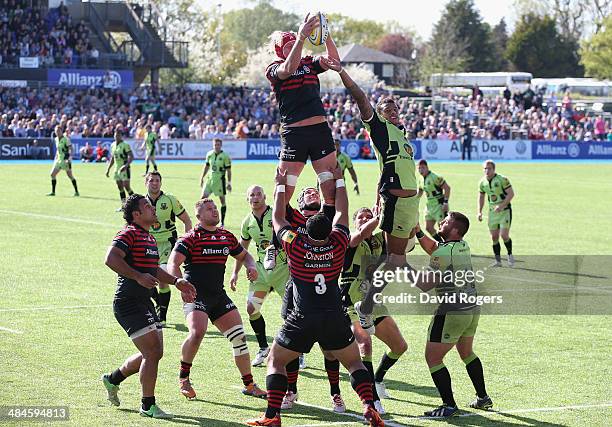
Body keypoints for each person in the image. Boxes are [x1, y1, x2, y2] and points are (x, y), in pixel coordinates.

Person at [246, 167, 384, 427]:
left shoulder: (296, 244)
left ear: (305, 230)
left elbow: (277, 217)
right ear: (330, 230)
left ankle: (272, 415)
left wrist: (279, 184)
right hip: (335, 316)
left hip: (302, 317)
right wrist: (339, 180)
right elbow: (342, 212)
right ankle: (368, 406)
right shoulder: (338, 242)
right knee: (355, 363)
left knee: (275, 361)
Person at [326, 58, 419, 330]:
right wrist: (343, 72)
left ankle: (367, 304)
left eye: (396, 108)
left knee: (397, 259)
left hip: (409, 202)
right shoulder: (378, 128)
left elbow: (386, 169)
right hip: (397, 200)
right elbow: (361, 98)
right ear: (378, 114)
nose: (394, 111)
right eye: (388, 108)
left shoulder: (402, 136)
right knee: (394, 259)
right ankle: (365, 305)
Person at [101, 194, 196, 419]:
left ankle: (113, 379)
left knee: (154, 352)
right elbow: (110, 258)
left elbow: (153, 269)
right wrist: (137, 276)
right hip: (128, 303)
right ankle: (147, 405)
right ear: (136, 214)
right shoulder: (129, 233)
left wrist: (176, 281)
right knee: (152, 352)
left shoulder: (149, 237)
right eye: (147, 206)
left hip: (143, 301)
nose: (153, 208)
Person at [167, 199, 267, 401]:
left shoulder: (225, 236)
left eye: (215, 208)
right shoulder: (190, 238)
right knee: (197, 333)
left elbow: (245, 256)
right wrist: (179, 283)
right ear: (199, 216)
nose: (214, 211)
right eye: (209, 209)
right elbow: (173, 263)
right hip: (195, 295)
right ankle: (184, 378)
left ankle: (249, 385)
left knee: (239, 337)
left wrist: (252, 267)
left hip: (218, 296)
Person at [412, 212, 493, 417]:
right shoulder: (463, 245)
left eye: (446, 221)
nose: (441, 222)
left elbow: (424, 285)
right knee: (467, 352)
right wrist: (419, 231)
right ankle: (483, 397)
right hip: (472, 308)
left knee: (433, 357)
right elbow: (434, 248)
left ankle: (448, 405)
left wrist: (401, 265)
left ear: (455, 230)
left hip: (451, 311)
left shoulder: (443, 253)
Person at [265, 13, 341, 208]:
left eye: (294, 45)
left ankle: (327, 232)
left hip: (319, 131)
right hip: (295, 133)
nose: (293, 50)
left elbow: (334, 60)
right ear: (280, 51)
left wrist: (326, 35)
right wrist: (300, 38)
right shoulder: (274, 68)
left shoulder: (309, 63)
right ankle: (277, 234)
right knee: (284, 189)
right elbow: (288, 69)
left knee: (330, 187)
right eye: (288, 47)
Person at [341, 206, 408, 415]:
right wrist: (378, 218)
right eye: (360, 217)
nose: (364, 219)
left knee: (399, 346)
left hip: (372, 299)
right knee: (365, 342)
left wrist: (407, 219)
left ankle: (377, 379)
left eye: (368, 216)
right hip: (350, 299)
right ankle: (372, 399)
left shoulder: (379, 240)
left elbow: (402, 236)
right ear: (354, 222)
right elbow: (360, 235)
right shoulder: (349, 237)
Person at [230, 185, 289, 367]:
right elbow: (242, 250)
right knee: (251, 309)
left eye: (258, 194)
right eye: (251, 195)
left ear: (264, 197)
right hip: (261, 272)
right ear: (247, 199)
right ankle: (263, 348)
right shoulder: (247, 222)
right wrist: (234, 273)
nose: (255, 197)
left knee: (292, 313)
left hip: (283, 270)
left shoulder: (277, 214)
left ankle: (298, 352)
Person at [145, 171, 192, 325]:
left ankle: (162, 317)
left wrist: (186, 242)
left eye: (157, 180)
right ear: (146, 183)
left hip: (168, 243)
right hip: (148, 244)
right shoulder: (141, 202)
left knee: (163, 278)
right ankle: (158, 302)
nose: (155, 183)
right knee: (145, 279)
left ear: (161, 182)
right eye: (151, 180)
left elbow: (186, 220)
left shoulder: (170, 200)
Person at [477, 160, 515, 267]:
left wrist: (501, 206)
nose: (487, 171)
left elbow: (511, 194)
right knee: (494, 237)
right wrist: (479, 212)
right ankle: (498, 261)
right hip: (492, 213)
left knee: (504, 235)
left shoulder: (502, 179)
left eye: (489, 168)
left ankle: (509, 254)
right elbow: (481, 197)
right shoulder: (482, 182)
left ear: (494, 169)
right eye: (485, 168)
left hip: (505, 210)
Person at [200, 138, 231, 226]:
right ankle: (202, 219)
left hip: (219, 181)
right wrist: (202, 177)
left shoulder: (225, 156)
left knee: (222, 202)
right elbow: (206, 166)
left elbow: (229, 170)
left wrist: (229, 183)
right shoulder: (209, 154)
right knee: (202, 199)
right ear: (213, 145)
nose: (216, 146)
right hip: (210, 180)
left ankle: (222, 222)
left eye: (218, 145)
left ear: (221, 145)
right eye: (215, 145)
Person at [417, 160, 451, 242]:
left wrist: (445, 202)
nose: (421, 170)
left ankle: (450, 246)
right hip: (429, 206)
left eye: (423, 168)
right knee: (428, 228)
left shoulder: (435, 177)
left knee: (443, 228)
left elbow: (447, 188)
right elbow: (420, 191)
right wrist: (413, 200)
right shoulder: (420, 179)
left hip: (439, 206)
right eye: (419, 168)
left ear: (427, 167)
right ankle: (441, 243)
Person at [106, 128, 134, 209]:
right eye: (115, 135)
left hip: (125, 169)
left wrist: (125, 165)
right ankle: (123, 206)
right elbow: (112, 158)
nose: (116, 137)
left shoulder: (125, 145)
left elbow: (131, 156)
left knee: (127, 187)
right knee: (120, 187)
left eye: (118, 135)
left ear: (121, 136)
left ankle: (137, 203)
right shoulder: (113, 145)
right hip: (116, 169)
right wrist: (108, 169)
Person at [48, 125, 79, 196]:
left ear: (62, 131)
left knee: (70, 176)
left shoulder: (66, 139)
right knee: (52, 174)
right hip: (59, 160)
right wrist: (56, 157)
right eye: (56, 131)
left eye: (58, 131)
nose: (57, 132)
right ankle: (53, 192)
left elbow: (71, 149)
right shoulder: (56, 139)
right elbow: (58, 150)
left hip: (65, 160)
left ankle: (76, 191)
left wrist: (70, 158)